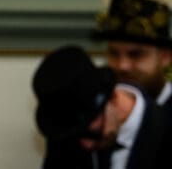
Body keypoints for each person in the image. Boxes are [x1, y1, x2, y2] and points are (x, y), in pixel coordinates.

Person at [32, 44, 172, 168]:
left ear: (112, 98)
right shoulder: (65, 135)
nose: (87, 145)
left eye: (90, 132)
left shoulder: (164, 127)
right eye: (77, 134)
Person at [96, 0, 172, 114]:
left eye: (136, 55)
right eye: (114, 53)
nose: (122, 66)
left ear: (165, 57)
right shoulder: (95, 112)